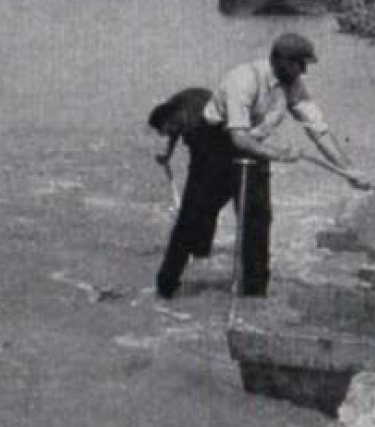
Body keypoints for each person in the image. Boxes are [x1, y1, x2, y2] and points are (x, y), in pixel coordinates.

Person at [155, 33, 361, 300]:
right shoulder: (244, 79)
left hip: (254, 148)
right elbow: (238, 137)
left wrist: (348, 170)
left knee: (257, 222)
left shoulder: (294, 85)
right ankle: (166, 288)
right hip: (215, 147)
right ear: (279, 60)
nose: (305, 71)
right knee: (193, 219)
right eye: (300, 63)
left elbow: (318, 130)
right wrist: (280, 154)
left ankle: (254, 297)